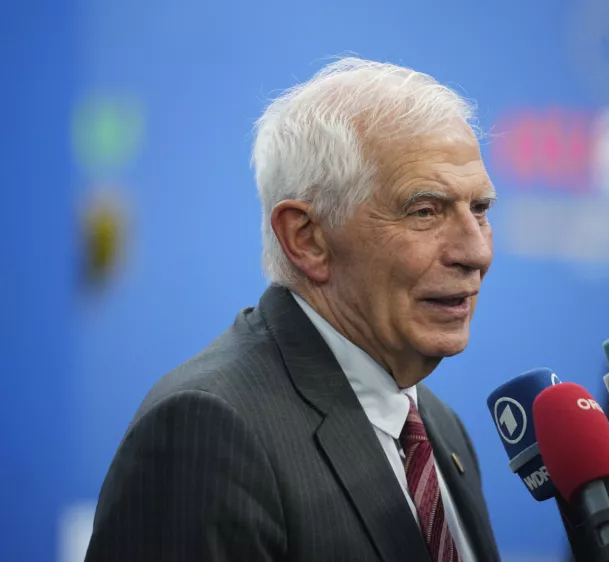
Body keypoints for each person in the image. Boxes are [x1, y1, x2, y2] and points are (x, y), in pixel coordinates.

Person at [85, 58, 502, 562]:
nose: (475, 252)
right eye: (425, 210)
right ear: (307, 239)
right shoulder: (210, 431)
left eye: (479, 209)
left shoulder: (440, 427)